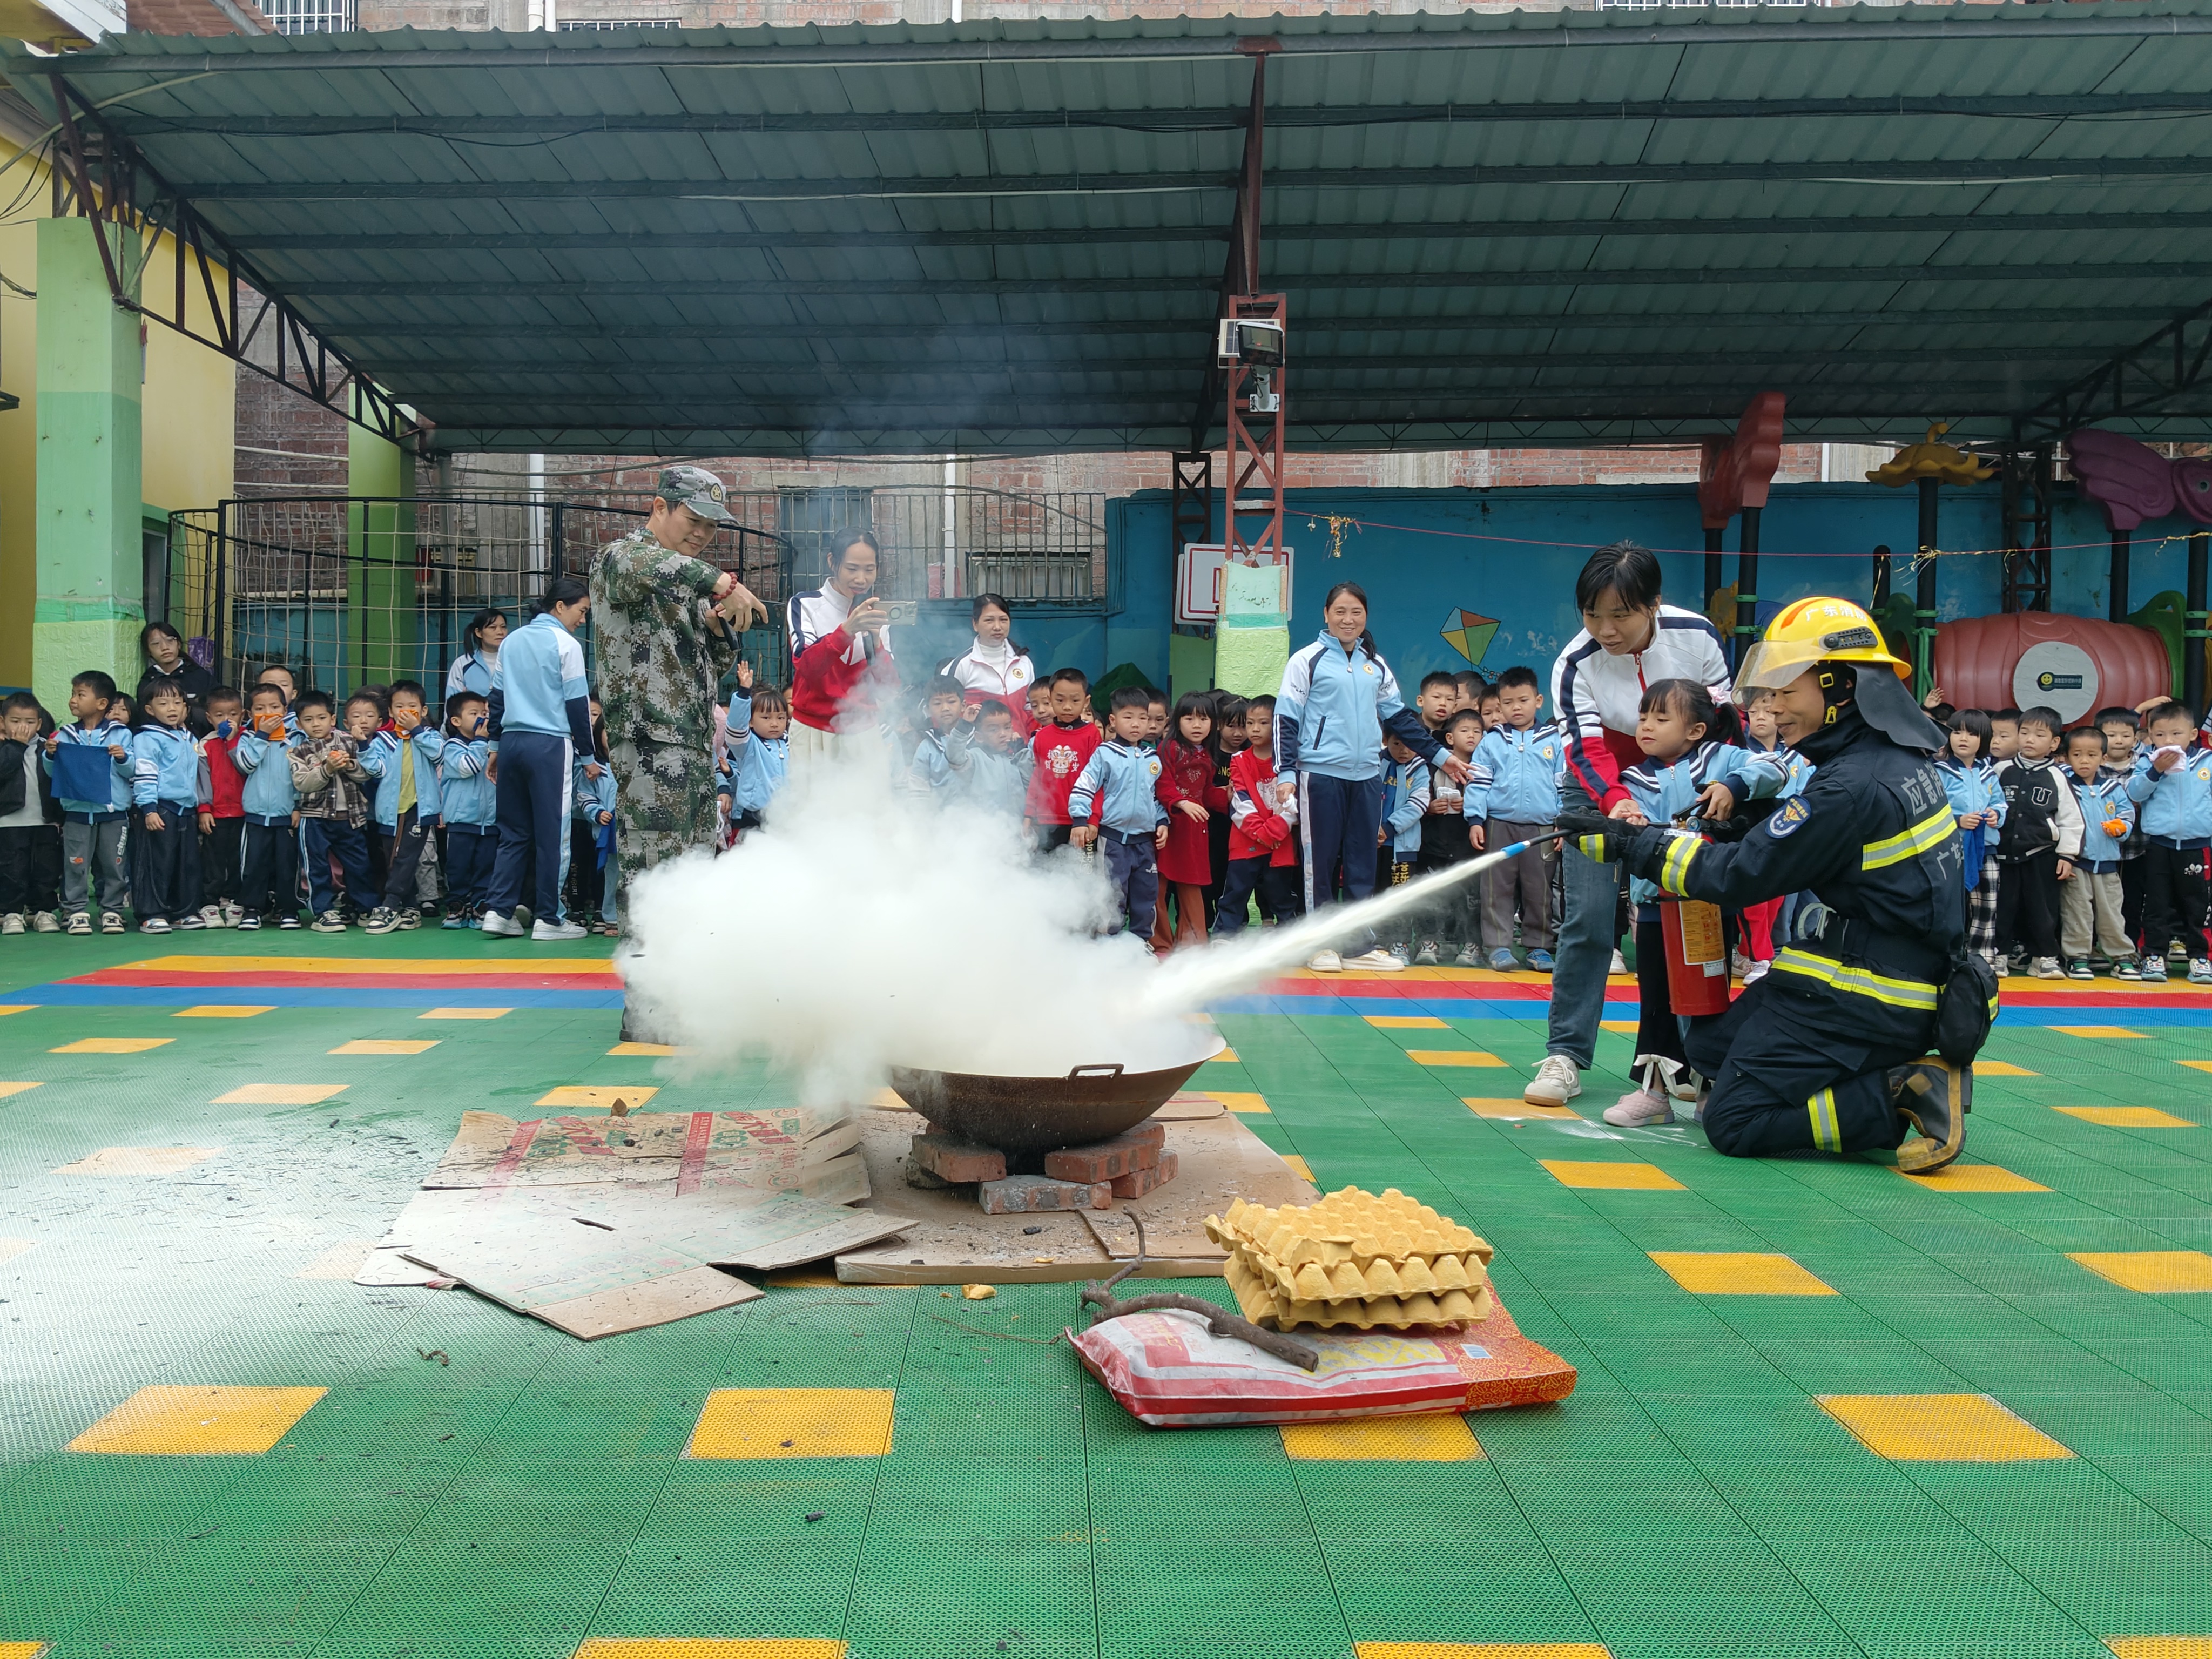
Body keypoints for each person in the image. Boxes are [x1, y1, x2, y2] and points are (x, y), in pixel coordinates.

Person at [1562, 596, 1982, 1173]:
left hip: (1866, 997)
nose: (1771, 707)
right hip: (1881, 975)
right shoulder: (1891, 761)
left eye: (1787, 691)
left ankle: (1897, 1090)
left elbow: (1737, 878)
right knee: (1708, 1047)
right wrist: (1749, 824)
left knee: (1733, 1121)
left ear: (1838, 686)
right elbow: (1831, 851)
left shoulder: (1849, 788)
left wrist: (1633, 845)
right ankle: (1869, 1071)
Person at [1527, 541, 1732, 1109]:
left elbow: (1721, 721)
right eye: (1592, 614)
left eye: (1620, 614)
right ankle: (1565, 1054)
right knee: (1590, 918)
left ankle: (1695, 1064)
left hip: (1685, 777)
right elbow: (1586, 747)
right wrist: (1616, 801)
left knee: (1689, 917)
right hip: (1600, 784)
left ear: (1654, 605)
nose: (1606, 628)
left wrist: (1716, 784)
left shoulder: (1697, 636)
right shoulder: (1574, 662)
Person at [591, 467, 765, 964]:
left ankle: (683, 992)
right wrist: (724, 583)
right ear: (659, 508)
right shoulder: (622, 558)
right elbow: (644, 563)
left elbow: (711, 669)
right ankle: (647, 1002)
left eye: (712, 527)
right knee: (651, 872)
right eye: (693, 519)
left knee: (690, 871)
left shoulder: (685, 584)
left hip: (691, 745)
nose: (702, 534)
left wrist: (715, 628)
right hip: (647, 742)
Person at [1600, 679, 1785, 1127]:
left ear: (1697, 730)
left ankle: (1710, 1089)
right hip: (1655, 908)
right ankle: (1655, 1092)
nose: (1646, 726)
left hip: (1706, 906)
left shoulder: (1726, 759)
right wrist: (1628, 819)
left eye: (1662, 718)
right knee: (1657, 1000)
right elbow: (1629, 833)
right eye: (1644, 717)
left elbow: (1776, 770)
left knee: (1708, 998)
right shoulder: (1633, 780)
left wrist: (1734, 786)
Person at [1274, 582, 1464, 973]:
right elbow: (1286, 720)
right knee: (1320, 863)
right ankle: (1320, 944)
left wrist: (1442, 757)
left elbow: (1399, 720)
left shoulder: (1374, 665)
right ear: (1326, 615)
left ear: (1366, 618)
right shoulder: (1305, 661)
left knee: (1363, 862)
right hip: (1319, 775)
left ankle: (1358, 946)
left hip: (1366, 776)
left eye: (1356, 612)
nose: (1348, 619)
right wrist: (1287, 772)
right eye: (1340, 612)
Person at [481, 578, 596, 942]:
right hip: (550, 746)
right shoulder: (567, 644)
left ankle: (499, 912)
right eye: (582, 611)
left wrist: (495, 748)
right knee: (553, 835)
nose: (583, 619)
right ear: (560, 606)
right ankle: (550, 917)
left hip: (512, 743)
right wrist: (588, 753)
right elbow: (577, 705)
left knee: (512, 833)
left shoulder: (512, 640)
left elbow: (496, 699)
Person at [1462, 664, 1562, 973]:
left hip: (1543, 828)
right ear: (1499, 705)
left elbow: (1563, 784)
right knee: (1496, 888)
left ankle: (1539, 947)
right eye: (1508, 703)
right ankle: (1499, 947)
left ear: (1539, 701)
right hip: (1499, 825)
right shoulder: (1491, 742)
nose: (1516, 708)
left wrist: (1562, 822)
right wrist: (1476, 819)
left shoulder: (1555, 740)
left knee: (1540, 889)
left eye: (1523, 700)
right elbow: (1478, 783)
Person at [787, 527, 896, 773]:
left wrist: (877, 644)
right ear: (832, 563)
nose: (861, 579)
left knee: (868, 811)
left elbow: (889, 688)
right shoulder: (805, 604)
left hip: (864, 729)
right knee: (810, 810)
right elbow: (807, 668)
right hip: (813, 730)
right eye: (852, 569)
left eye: (870, 570)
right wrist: (846, 631)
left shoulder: (879, 614)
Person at [1068, 686, 1169, 940]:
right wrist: (1080, 820)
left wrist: (1162, 821)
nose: (1136, 724)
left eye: (1143, 718)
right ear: (1113, 720)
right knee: (1111, 895)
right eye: (1128, 717)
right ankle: (1107, 944)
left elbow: (1154, 796)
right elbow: (1084, 786)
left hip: (1144, 842)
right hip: (1112, 840)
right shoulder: (1105, 754)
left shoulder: (1152, 757)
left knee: (1146, 895)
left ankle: (1141, 942)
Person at [1992, 706, 2081, 980]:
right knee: (2003, 907)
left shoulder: (2057, 777)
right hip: (2002, 853)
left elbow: (2070, 819)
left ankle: (2043, 957)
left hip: (2041, 854)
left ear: (2054, 743)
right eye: (2024, 732)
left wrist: (2067, 856)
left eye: (2039, 735)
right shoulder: (2000, 770)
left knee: (2042, 909)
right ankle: (1999, 955)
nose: (2030, 739)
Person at [2127, 700, 2212, 983]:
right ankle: (2154, 956)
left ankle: (2199, 957)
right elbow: (2135, 794)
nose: (2168, 741)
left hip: (2196, 845)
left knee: (2196, 903)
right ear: (2150, 735)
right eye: (2160, 735)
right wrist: (2156, 771)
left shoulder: (2207, 762)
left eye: (2176, 734)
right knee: (2156, 902)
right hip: (2158, 844)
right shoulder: (2146, 761)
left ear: (2192, 734)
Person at [45, 670, 133, 935]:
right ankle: (75, 912)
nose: (73, 700)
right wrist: (50, 757)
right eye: (73, 694)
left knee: (114, 864)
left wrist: (122, 758)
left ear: (101, 703)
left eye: (80, 695)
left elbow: (131, 772)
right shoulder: (63, 735)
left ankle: (112, 911)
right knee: (75, 864)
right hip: (78, 814)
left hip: (113, 813)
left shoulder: (121, 734)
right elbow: (52, 774)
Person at [354, 680, 446, 935]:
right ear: (391, 712)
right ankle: (411, 907)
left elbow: (439, 755)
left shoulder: (430, 736)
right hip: (389, 811)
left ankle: (390, 906)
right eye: (399, 707)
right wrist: (363, 745)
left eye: (412, 707)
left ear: (423, 711)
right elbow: (376, 769)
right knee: (393, 860)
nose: (406, 711)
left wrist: (417, 731)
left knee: (405, 858)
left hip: (420, 808)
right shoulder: (383, 739)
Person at [290, 691, 378, 933]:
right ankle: (323, 912)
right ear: (299, 724)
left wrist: (349, 764)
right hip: (314, 818)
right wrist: (327, 769)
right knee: (317, 868)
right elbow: (303, 783)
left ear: (333, 719)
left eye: (321, 718)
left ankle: (366, 908)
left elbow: (367, 773)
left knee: (359, 865)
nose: (316, 724)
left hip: (350, 817)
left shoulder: (350, 741)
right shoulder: (299, 752)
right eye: (308, 720)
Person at [1215, 696, 1300, 936]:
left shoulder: (1290, 763)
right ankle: (1225, 935)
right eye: (1249, 723)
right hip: (1246, 841)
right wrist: (1263, 833)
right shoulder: (1239, 761)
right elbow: (1239, 803)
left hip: (1279, 842)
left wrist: (1275, 831)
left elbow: (1294, 804)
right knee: (1235, 891)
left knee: (1282, 893)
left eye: (1263, 723)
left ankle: (1291, 939)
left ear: (1278, 725)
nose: (1254, 729)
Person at [129, 683, 206, 934]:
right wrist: (149, 808)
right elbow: (145, 773)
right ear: (150, 709)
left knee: (186, 864)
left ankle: (182, 912)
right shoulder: (147, 738)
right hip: (160, 808)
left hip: (187, 810)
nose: (171, 709)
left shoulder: (189, 737)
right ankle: (151, 913)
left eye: (177, 703)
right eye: (163, 704)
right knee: (155, 864)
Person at [2061, 724, 2137, 979]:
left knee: (2112, 914)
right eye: (2077, 754)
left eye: (2092, 755)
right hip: (2077, 863)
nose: (2084, 760)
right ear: (2067, 756)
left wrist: (2121, 828)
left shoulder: (2113, 789)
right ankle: (2078, 957)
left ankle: (2121, 956)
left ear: (2103, 758)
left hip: (2107, 864)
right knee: (2077, 913)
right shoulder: (2064, 786)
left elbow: (2127, 814)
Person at [1154, 692, 1225, 951]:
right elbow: (1163, 784)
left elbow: (1205, 793)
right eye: (1189, 718)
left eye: (1204, 719)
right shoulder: (1169, 749)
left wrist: (1228, 795)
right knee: (1158, 888)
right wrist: (1181, 803)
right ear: (1176, 721)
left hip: (1195, 830)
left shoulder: (1206, 755)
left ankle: (1193, 944)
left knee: (1191, 887)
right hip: (1168, 826)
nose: (1197, 725)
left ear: (1213, 723)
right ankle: (1159, 943)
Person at [1936, 709, 2006, 968]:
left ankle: (1981, 958)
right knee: (1950, 904)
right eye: (1957, 732)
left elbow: (2000, 803)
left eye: (1972, 733)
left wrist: (1997, 814)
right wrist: (1958, 821)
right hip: (1949, 849)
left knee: (1986, 906)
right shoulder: (1939, 771)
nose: (1963, 738)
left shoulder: (1988, 772)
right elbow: (1931, 811)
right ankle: (1947, 955)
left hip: (1985, 848)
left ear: (1984, 740)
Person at [232, 680, 301, 930]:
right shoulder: (247, 738)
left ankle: (288, 909)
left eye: (274, 707)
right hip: (256, 816)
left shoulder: (296, 739)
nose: (268, 713)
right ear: (250, 714)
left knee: (287, 865)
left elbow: (302, 777)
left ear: (285, 710)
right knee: (254, 866)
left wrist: (299, 806)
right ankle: (252, 909)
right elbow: (246, 765)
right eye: (260, 709)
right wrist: (261, 736)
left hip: (287, 815)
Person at [0, 692, 63, 934]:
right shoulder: (5, 748)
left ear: (38, 723)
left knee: (46, 869)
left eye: (28, 721)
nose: (22, 727)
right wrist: (16, 746)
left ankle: (42, 911)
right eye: (15, 721)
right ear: (3, 722)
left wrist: (60, 817)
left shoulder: (48, 748)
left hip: (45, 821)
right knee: (12, 869)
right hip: (9, 821)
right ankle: (11, 913)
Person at [1026, 668, 1102, 853]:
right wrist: (1029, 815)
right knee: (1045, 873)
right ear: (1050, 699)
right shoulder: (1042, 737)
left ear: (1086, 702)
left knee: (1082, 876)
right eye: (1060, 700)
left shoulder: (1091, 734)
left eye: (1075, 700)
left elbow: (1098, 780)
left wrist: (1093, 818)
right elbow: (1038, 776)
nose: (1067, 706)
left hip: (1080, 821)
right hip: (1047, 819)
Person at [940, 594, 1037, 737]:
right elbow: (945, 712)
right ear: (975, 624)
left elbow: (1031, 709)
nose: (997, 627)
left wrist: (1029, 744)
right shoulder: (961, 666)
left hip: (1020, 751)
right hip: (976, 754)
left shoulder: (1023, 662)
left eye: (1003, 620)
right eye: (989, 620)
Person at [438, 692, 496, 929]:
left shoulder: (492, 747)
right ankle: (457, 906)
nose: (482, 719)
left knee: (486, 866)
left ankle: (480, 906)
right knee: (458, 866)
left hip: (490, 821)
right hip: (462, 820)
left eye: (484, 714)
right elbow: (468, 767)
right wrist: (481, 742)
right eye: (474, 714)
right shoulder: (452, 747)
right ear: (456, 721)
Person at [1378, 732, 1432, 966]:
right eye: (1396, 743)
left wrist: (1388, 828)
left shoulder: (1421, 769)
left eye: (1409, 744)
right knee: (1375, 894)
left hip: (1403, 848)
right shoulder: (1376, 763)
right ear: (1385, 741)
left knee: (1401, 897)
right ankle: (1376, 941)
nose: (1403, 750)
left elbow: (1419, 804)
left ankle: (1400, 943)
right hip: (1373, 846)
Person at [196, 687, 248, 928]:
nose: (227, 720)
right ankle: (210, 902)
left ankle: (236, 900)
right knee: (213, 860)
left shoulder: (249, 740)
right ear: (209, 718)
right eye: (219, 714)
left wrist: (233, 741)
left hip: (245, 812)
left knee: (240, 859)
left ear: (243, 715)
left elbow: (247, 769)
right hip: (215, 813)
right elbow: (202, 778)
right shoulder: (205, 744)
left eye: (233, 714)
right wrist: (204, 808)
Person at [725, 663, 791, 836]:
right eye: (766, 717)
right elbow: (736, 727)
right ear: (751, 721)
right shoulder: (748, 745)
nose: (775, 723)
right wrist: (743, 694)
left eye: (781, 717)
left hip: (785, 815)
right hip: (754, 815)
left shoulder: (789, 743)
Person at [570, 701, 618, 934]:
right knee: (607, 875)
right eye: (609, 732)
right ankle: (609, 917)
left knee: (629, 877)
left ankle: (629, 917)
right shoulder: (595, 769)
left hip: (633, 835)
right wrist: (597, 812)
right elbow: (584, 796)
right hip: (606, 834)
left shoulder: (638, 766)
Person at [136, 621, 217, 730]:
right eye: (156, 643)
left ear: (178, 644)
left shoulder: (198, 675)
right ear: (148, 651)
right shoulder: (148, 682)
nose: (164, 647)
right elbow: (144, 719)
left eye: (170, 640)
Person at [447, 608, 509, 701]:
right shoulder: (462, 664)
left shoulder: (514, 662)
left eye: (503, 627)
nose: (500, 632)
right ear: (479, 633)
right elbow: (452, 703)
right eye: (493, 628)